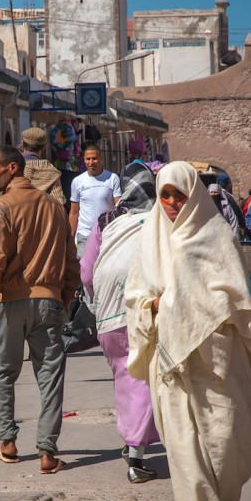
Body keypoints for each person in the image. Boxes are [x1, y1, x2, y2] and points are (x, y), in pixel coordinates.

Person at [124, 161, 251, 501]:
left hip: (214, 356)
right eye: (164, 195)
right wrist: (155, 307)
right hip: (169, 360)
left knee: (223, 435)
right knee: (182, 442)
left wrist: (196, 313)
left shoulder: (215, 235)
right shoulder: (151, 238)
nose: (170, 202)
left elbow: (234, 297)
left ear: (193, 195)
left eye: (178, 195)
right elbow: (135, 295)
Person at [0, 146, 79, 475]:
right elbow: (69, 256)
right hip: (48, 300)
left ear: (13, 168)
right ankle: (47, 451)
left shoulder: (2, 207)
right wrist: (67, 294)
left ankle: (7, 442)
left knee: (4, 372)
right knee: (50, 377)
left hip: (10, 301)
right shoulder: (53, 206)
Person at [79, 160, 160, 483]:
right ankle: (136, 453)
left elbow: (87, 271)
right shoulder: (162, 219)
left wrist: (95, 299)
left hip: (109, 313)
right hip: (146, 308)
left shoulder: (106, 220)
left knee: (125, 379)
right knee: (143, 378)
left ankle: (132, 441)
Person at [69, 144, 121, 256]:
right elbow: (74, 212)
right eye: (88, 159)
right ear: (84, 160)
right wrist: (70, 237)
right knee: (83, 270)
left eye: (94, 158)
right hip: (85, 234)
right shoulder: (77, 181)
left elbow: (119, 207)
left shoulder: (112, 178)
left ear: (101, 159)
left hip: (107, 233)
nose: (91, 162)